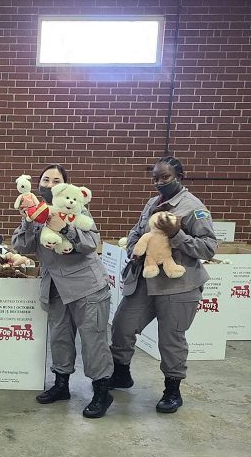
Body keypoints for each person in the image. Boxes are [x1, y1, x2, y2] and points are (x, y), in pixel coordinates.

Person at [110, 156, 217, 413]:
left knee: (171, 340)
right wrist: (135, 249)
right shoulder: (152, 203)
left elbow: (209, 247)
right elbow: (137, 231)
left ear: (179, 176)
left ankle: (172, 390)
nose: (159, 182)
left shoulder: (193, 207)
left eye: (165, 177)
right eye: (155, 178)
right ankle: (122, 374)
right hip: (145, 281)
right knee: (122, 327)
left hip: (178, 286)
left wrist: (176, 235)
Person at [12, 164, 114, 418]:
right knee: (59, 338)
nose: (48, 184)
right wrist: (27, 222)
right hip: (55, 287)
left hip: (86, 287)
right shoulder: (35, 211)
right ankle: (61, 385)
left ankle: (101, 391)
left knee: (93, 340)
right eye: (45, 180)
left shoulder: (76, 209)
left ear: (65, 186)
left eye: (55, 180)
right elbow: (20, 246)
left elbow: (91, 243)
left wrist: (64, 228)